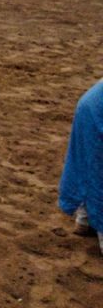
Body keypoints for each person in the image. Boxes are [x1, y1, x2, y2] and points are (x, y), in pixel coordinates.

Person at [59, 79, 103, 255]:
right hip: (97, 112)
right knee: (98, 170)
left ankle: (84, 220)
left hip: (90, 105)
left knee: (91, 164)